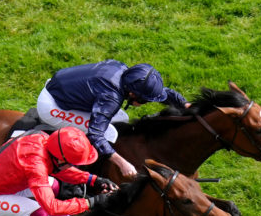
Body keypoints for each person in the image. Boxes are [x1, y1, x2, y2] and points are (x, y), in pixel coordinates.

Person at [36, 60, 190, 179]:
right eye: (144, 100)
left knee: (122, 118)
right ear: (132, 94)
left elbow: (162, 92)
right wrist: (122, 163)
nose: (146, 103)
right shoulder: (111, 97)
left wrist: (185, 104)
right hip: (53, 106)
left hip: (63, 89)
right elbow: (96, 134)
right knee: (109, 134)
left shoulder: (124, 72)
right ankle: (81, 173)